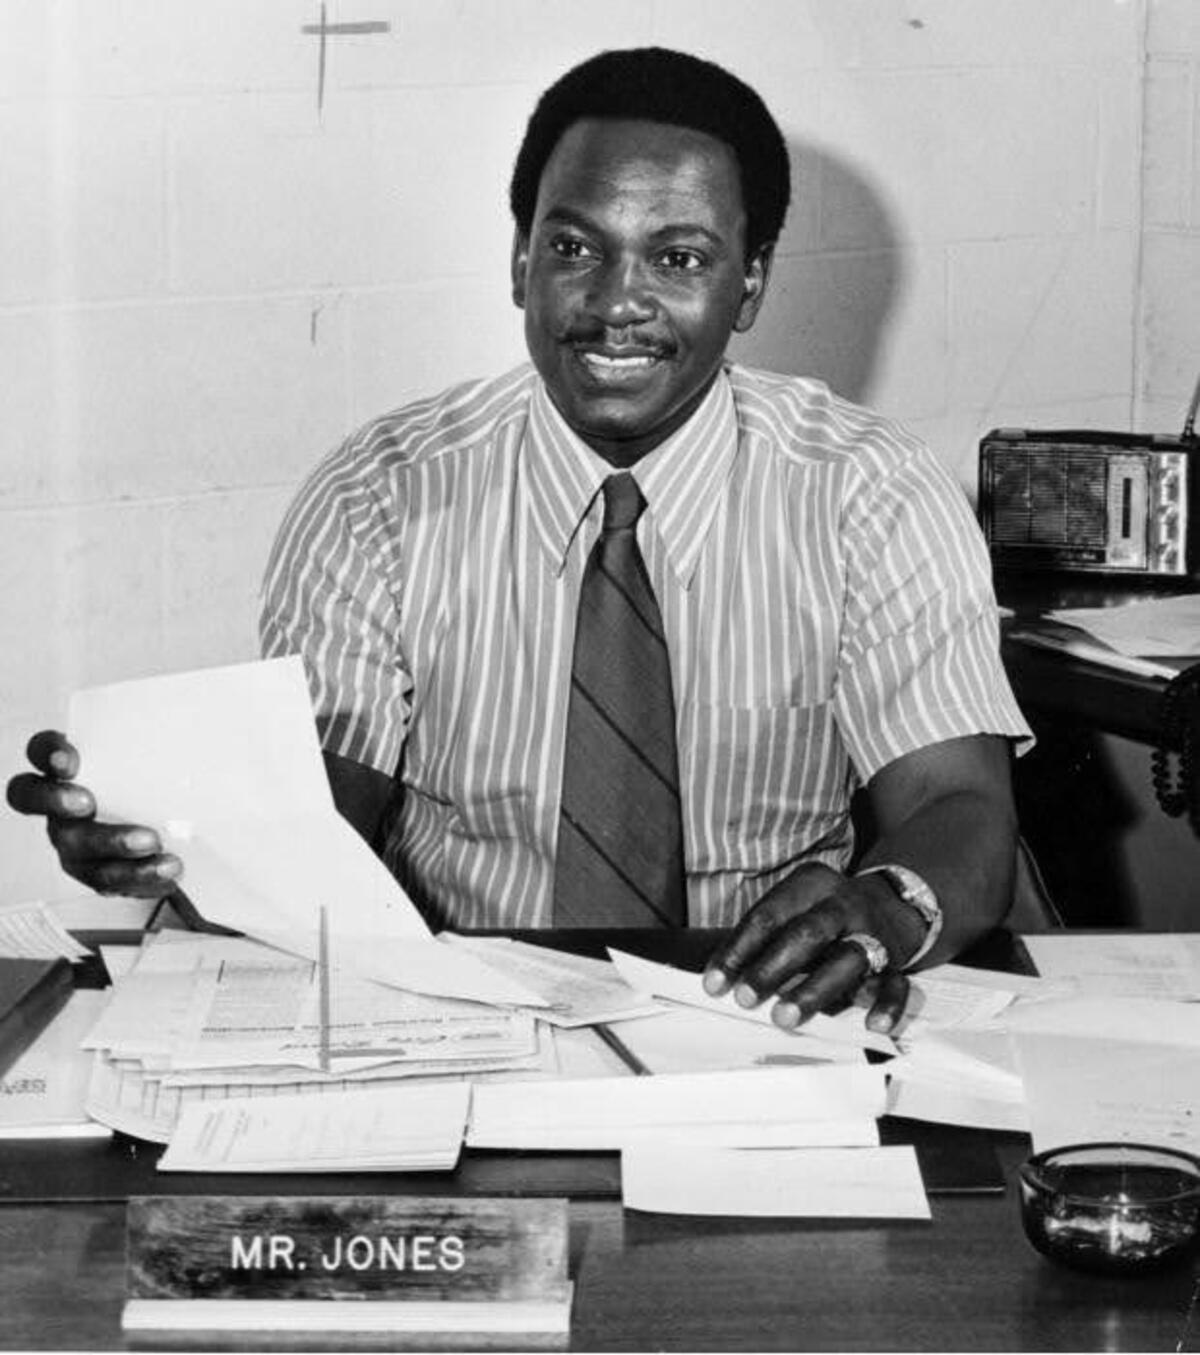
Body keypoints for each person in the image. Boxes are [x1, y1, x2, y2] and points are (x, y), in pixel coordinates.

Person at [7, 47, 1029, 1036]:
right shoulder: (379, 494)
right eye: (575, 247)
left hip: (765, 1011)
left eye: (679, 258)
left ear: (750, 283)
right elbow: (322, 806)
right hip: (459, 1012)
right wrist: (177, 832)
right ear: (519, 262)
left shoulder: (871, 491)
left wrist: (886, 903)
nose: (617, 302)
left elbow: (961, 805)